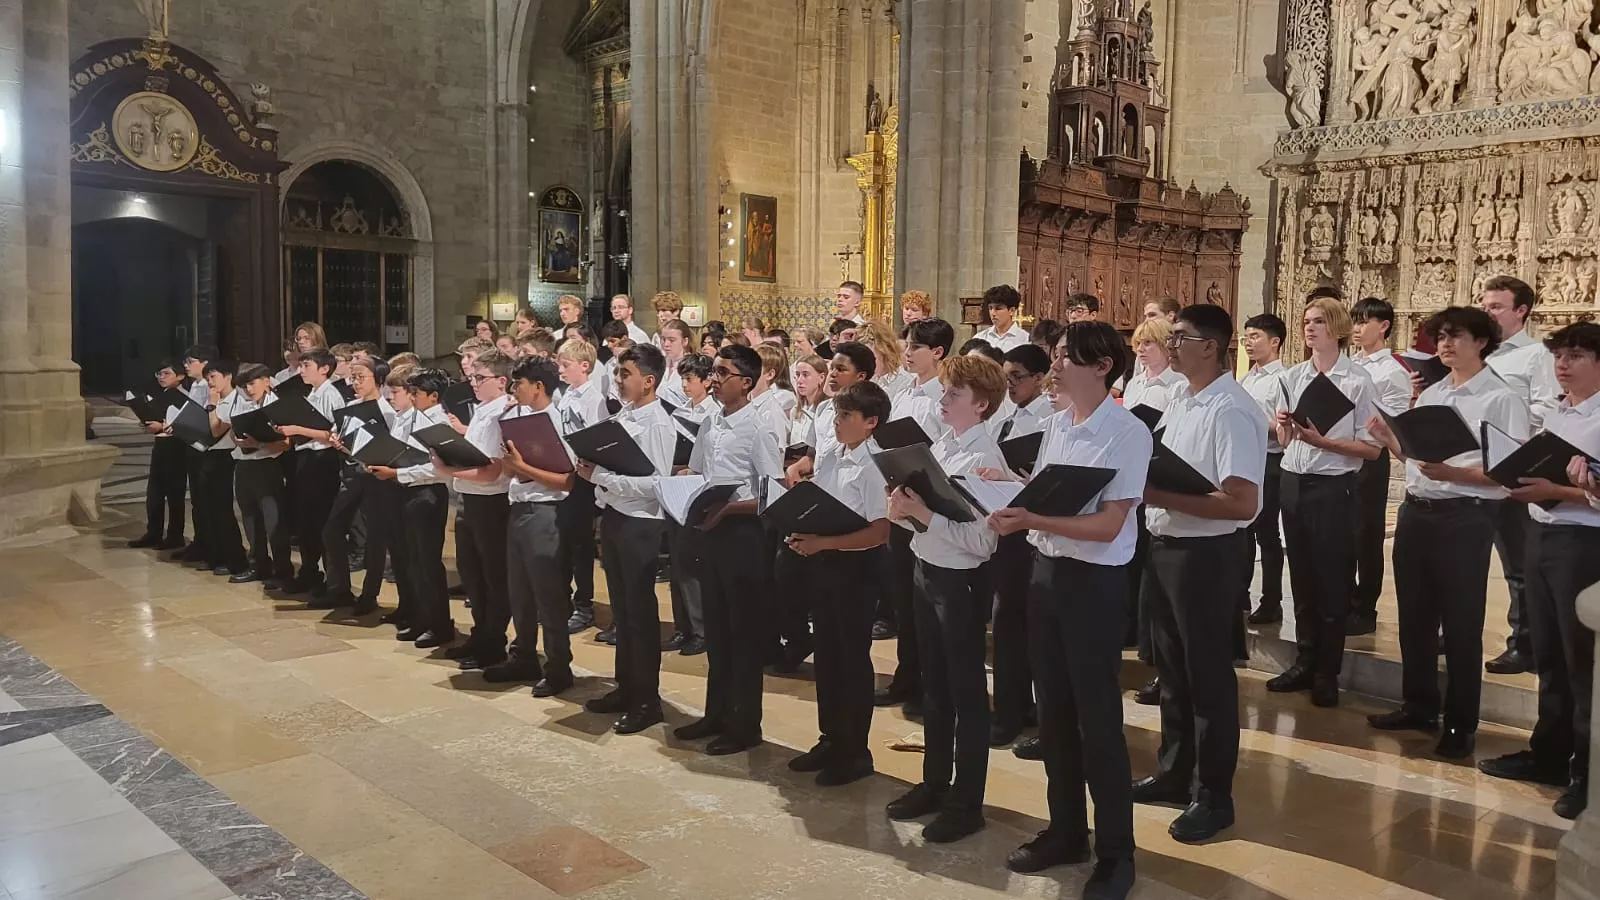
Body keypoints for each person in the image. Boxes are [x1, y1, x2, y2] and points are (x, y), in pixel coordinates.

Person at [989, 321, 1144, 898]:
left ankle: (1116, 852)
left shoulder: (1126, 432)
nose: (1055, 366)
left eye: (1064, 357)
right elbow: (1042, 498)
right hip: (1046, 576)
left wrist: (1030, 519)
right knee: (1052, 713)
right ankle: (1066, 830)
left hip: (1093, 586)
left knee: (1097, 721)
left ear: (1102, 365)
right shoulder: (1055, 425)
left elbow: (1107, 526)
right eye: (1053, 356)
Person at [1131, 304, 1266, 846]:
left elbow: (1241, 504)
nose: (1171, 343)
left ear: (1209, 347)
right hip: (1166, 549)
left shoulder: (1231, 410)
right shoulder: (1183, 401)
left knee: (1208, 680)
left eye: (1179, 337)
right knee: (1174, 673)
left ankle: (1215, 796)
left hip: (1206, 559)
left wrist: (1154, 492)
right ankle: (1173, 772)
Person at [1364, 306, 1525, 760]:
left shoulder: (1500, 397)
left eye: (1456, 336)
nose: (1445, 344)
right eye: (1441, 337)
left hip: (1465, 516)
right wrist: (1390, 438)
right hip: (1417, 512)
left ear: (1482, 341)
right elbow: (1417, 461)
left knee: (1460, 624)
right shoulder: (1433, 391)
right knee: (1414, 618)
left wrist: (1454, 475)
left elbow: (1507, 475)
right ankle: (1417, 705)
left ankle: (1460, 724)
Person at [883, 353, 1007, 844]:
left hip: (961, 584)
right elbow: (928, 519)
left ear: (980, 404)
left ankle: (966, 802)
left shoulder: (984, 459)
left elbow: (982, 542)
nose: (944, 398)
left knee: (965, 695)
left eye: (954, 393)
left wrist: (923, 514)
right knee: (933, 688)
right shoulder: (946, 446)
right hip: (926, 571)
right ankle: (935, 781)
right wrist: (902, 509)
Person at [1479, 321, 1600, 820]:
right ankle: (1549, 754)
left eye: (1574, 355)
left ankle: (1587, 775)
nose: (1562, 365)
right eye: (1558, 356)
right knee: (1547, 655)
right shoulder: (1558, 411)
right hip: (1542, 534)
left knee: (1581, 664)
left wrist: (1564, 491)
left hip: (1584, 542)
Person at [1269, 297, 1381, 707]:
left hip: (1333, 487)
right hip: (1294, 481)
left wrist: (1322, 441)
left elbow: (1370, 450)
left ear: (1336, 328)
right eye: (1305, 322)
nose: (1309, 328)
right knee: (1301, 578)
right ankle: (1304, 658)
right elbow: (1283, 441)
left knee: (1332, 581)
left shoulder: (1356, 380)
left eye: (1318, 322)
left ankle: (1327, 672)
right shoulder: (1294, 377)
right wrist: (1284, 427)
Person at [672, 346, 785, 754]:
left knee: (743, 634)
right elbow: (698, 470)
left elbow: (773, 493)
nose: (715, 378)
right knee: (716, 629)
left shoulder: (760, 427)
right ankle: (716, 712)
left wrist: (728, 509)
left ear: (747, 382)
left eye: (724, 372)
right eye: (714, 371)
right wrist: (679, 483)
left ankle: (744, 724)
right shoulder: (712, 422)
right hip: (712, 530)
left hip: (743, 536)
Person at [784, 381, 894, 786]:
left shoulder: (875, 464)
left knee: (851, 659)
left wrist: (823, 542)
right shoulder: (832, 454)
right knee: (826, 657)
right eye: (836, 414)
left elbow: (879, 532)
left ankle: (855, 750)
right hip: (825, 563)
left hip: (858, 570)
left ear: (870, 423)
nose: (836, 422)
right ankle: (830, 737)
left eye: (845, 416)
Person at [579, 345, 679, 733]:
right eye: (618, 373)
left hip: (640, 524)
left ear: (649, 381)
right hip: (616, 517)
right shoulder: (625, 414)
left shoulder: (657, 422)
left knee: (639, 614)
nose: (618, 380)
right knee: (622, 612)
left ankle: (647, 699)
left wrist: (599, 478)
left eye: (626, 374)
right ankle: (626, 687)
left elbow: (655, 484)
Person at [1480, 275, 1562, 676]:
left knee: (1517, 565)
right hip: (1470, 470)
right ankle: (1456, 632)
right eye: (1484, 304)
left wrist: (1504, 418)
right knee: (1465, 559)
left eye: (1495, 306)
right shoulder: (1481, 353)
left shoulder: (1536, 356)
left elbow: (1548, 411)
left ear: (1521, 311)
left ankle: (1523, 643)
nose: (1487, 311)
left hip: (1512, 469)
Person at [495, 356, 580, 697]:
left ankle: (559, 667)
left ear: (539, 386)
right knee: (520, 592)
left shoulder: (557, 421)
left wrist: (522, 468)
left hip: (545, 513)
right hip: (518, 508)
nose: (515, 390)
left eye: (519, 384)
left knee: (549, 595)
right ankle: (524, 656)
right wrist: (513, 467)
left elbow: (566, 480)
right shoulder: (521, 418)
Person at [987, 343, 1055, 754]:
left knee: (1018, 624)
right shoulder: (1005, 414)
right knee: (1008, 624)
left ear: (1040, 378)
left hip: (1034, 527)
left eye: (1018, 378)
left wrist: (1012, 476)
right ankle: (1014, 707)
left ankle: (1017, 713)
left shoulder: (1049, 418)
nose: (1010, 385)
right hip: (1008, 526)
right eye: (1006, 377)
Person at [433, 349, 515, 669]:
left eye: (480, 378)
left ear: (502, 381)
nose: (474, 383)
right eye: (472, 378)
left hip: (492, 502)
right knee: (472, 575)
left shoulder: (501, 414)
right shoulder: (482, 410)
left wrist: (448, 470)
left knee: (493, 577)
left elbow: (494, 470)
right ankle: (480, 634)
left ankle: (494, 642)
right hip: (469, 498)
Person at [369, 368, 456, 648]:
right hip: (407, 493)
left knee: (428, 562)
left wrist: (397, 474)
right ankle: (421, 617)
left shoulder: (440, 421)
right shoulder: (413, 417)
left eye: (417, 393)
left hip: (428, 494)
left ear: (433, 396)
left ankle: (440, 624)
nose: (413, 397)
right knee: (413, 561)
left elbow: (438, 468)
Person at [1347, 297, 1414, 636]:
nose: (1356, 328)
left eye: (1364, 322)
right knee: (1343, 533)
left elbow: (1396, 421)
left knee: (1366, 535)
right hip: (1341, 455)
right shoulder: (1349, 364)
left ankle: (1365, 608)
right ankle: (1343, 601)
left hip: (1371, 457)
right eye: (1354, 321)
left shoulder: (1392, 372)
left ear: (1384, 326)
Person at [319, 357, 396, 614]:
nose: (355, 383)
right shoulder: (351, 405)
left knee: (375, 536)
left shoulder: (388, 410)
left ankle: (369, 593)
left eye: (361, 377)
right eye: (353, 378)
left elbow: (392, 448)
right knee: (332, 529)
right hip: (353, 475)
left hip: (378, 477)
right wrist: (337, 441)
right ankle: (338, 588)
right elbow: (341, 437)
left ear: (378, 378)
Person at [275, 348, 347, 594]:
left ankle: (333, 580)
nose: (302, 370)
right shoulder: (310, 393)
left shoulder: (331, 394)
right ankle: (309, 571)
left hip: (323, 459)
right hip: (304, 457)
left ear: (324, 368)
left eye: (307, 366)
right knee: (305, 519)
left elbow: (333, 434)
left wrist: (297, 427)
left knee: (322, 519)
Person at [665, 353, 718, 656]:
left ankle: (701, 629)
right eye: (682, 378)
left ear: (707, 381)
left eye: (690, 379)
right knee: (677, 562)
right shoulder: (679, 411)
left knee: (693, 564)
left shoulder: (713, 413)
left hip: (695, 490)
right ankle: (681, 627)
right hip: (674, 488)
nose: (684, 384)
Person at [555, 339, 608, 634]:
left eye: (566, 365)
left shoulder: (593, 399)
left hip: (583, 479)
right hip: (564, 475)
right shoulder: (566, 396)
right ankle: (562, 598)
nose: (560, 370)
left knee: (580, 544)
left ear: (585, 366)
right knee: (563, 542)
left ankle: (584, 604)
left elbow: (595, 439)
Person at [1239, 314, 1288, 625]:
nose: (1248, 342)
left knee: (1267, 534)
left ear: (1275, 341)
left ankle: (1272, 601)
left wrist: (1255, 420)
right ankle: (1239, 592)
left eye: (1255, 336)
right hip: (1245, 458)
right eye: (1246, 336)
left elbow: (1285, 431)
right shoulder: (1246, 379)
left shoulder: (1283, 379)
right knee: (1242, 530)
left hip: (1271, 461)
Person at [226, 364, 292, 587]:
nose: (249, 389)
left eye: (253, 383)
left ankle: (283, 569)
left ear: (266, 381)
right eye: (245, 385)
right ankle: (259, 563)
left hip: (266, 466)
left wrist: (259, 443)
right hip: (244, 464)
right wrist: (239, 439)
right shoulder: (246, 404)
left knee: (273, 520)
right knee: (250, 516)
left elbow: (285, 444)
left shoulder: (277, 407)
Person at [130, 359, 190, 551]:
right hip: (161, 445)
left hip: (177, 447)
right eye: (159, 374)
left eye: (166, 373)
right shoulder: (162, 394)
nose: (161, 378)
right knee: (154, 492)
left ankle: (175, 535)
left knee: (175, 493)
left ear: (180, 376)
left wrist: (162, 426)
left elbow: (187, 423)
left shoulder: (184, 395)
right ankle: (153, 532)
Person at [196, 359, 249, 578]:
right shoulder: (217, 399)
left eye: (213, 377)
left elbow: (217, 429)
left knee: (223, 510)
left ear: (228, 376)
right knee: (209, 509)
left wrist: (211, 405)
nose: (210, 382)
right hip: (210, 454)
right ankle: (215, 555)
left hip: (227, 457)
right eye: (207, 378)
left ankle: (234, 559)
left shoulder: (236, 399)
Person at [174, 346, 216, 566]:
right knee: (198, 501)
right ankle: (200, 542)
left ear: (205, 362)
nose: (186, 366)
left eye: (191, 361)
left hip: (207, 446)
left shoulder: (210, 387)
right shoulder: (195, 385)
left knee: (208, 501)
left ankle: (210, 546)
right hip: (193, 444)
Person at [859, 319, 913, 400]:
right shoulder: (866, 380)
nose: (865, 363)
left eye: (870, 356)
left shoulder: (905, 383)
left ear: (885, 351)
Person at [973, 284, 1031, 351]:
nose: (993, 313)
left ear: (1012, 310)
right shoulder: (980, 338)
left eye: (998, 308)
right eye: (990, 308)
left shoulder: (1025, 340)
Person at [656, 319, 694, 408]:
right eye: (663, 339)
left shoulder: (693, 367)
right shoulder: (658, 364)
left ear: (685, 341)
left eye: (671, 340)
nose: (666, 344)